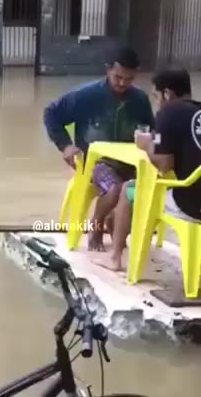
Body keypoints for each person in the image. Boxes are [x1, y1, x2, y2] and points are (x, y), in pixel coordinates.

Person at [93, 68, 201, 271]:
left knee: (128, 189)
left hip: (193, 207)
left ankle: (115, 257)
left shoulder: (167, 113)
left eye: (156, 96)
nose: (156, 102)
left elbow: (163, 165)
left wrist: (147, 145)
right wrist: (158, 141)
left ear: (167, 94)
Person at [44, 46, 155, 251]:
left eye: (129, 79)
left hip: (130, 163)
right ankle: (96, 224)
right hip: (95, 162)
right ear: (108, 70)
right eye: (118, 77)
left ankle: (117, 223)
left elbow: (152, 129)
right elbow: (51, 114)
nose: (122, 83)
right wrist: (66, 146)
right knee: (115, 188)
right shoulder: (86, 96)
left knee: (148, 190)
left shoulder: (140, 100)